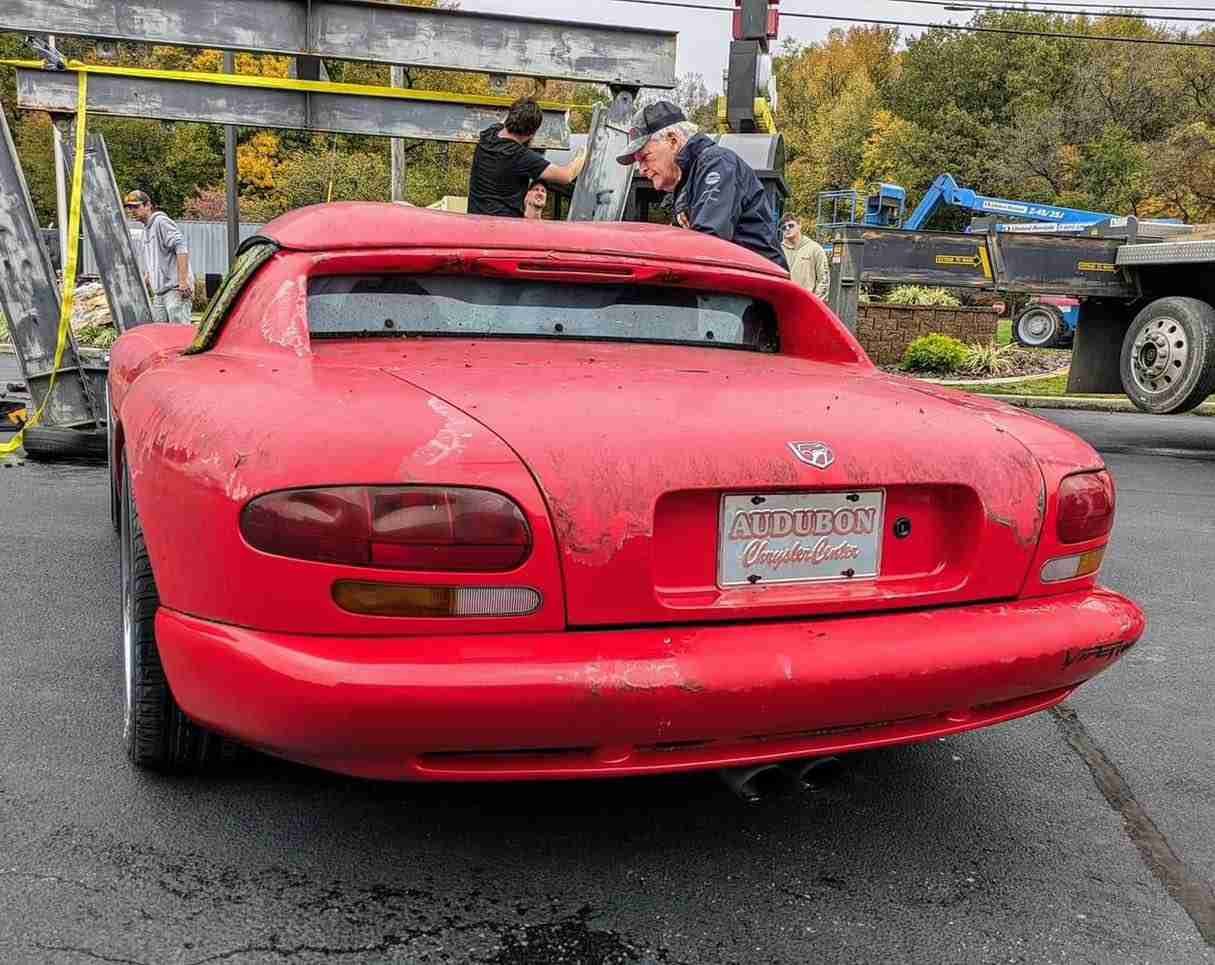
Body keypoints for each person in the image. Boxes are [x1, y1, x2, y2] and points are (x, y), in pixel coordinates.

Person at [616, 100, 787, 269]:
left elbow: (706, 243)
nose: (642, 169)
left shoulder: (717, 164)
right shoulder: (687, 181)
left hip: (760, 287)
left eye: (645, 157)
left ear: (673, 141)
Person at [467, 98, 585, 217]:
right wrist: (582, 154)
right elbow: (566, 175)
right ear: (532, 134)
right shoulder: (520, 157)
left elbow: (504, 123)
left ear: (509, 116)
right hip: (503, 226)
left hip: (476, 222)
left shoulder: (488, 134)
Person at [123, 190, 194, 324]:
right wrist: (146, 280)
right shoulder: (145, 231)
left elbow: (181, 247)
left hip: (175, 290)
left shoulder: (161, 222)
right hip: (159, 293)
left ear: (148, 205)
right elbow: (154, 262)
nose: (132, 211)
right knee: (160, 335)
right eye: (130, 208)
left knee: (178, 334)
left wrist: (183, 281)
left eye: (136, 207)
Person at [780, 214, 830, 300]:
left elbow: (824, 279)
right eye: (784, 228)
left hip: (805, 301)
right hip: (782, 301)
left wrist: (815, 301)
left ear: (799, 225)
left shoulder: (814, 249)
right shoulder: (779, 250)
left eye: (791, 225)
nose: (787, 229)